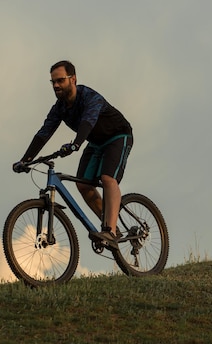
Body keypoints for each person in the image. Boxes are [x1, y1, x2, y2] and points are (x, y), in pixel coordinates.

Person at [12, 60, 133, 249]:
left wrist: (75, 145)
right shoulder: (59, 108)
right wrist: (25, 160)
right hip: (96, 142)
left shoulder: (90, 97)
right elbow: (44, 133)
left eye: (60, 80)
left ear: (73, 79)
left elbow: (87, 122)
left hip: (118, 135)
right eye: (53, 82)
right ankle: (111, 228)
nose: (56, 85)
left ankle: (110, 230)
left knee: (107, 178)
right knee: (82, 185)